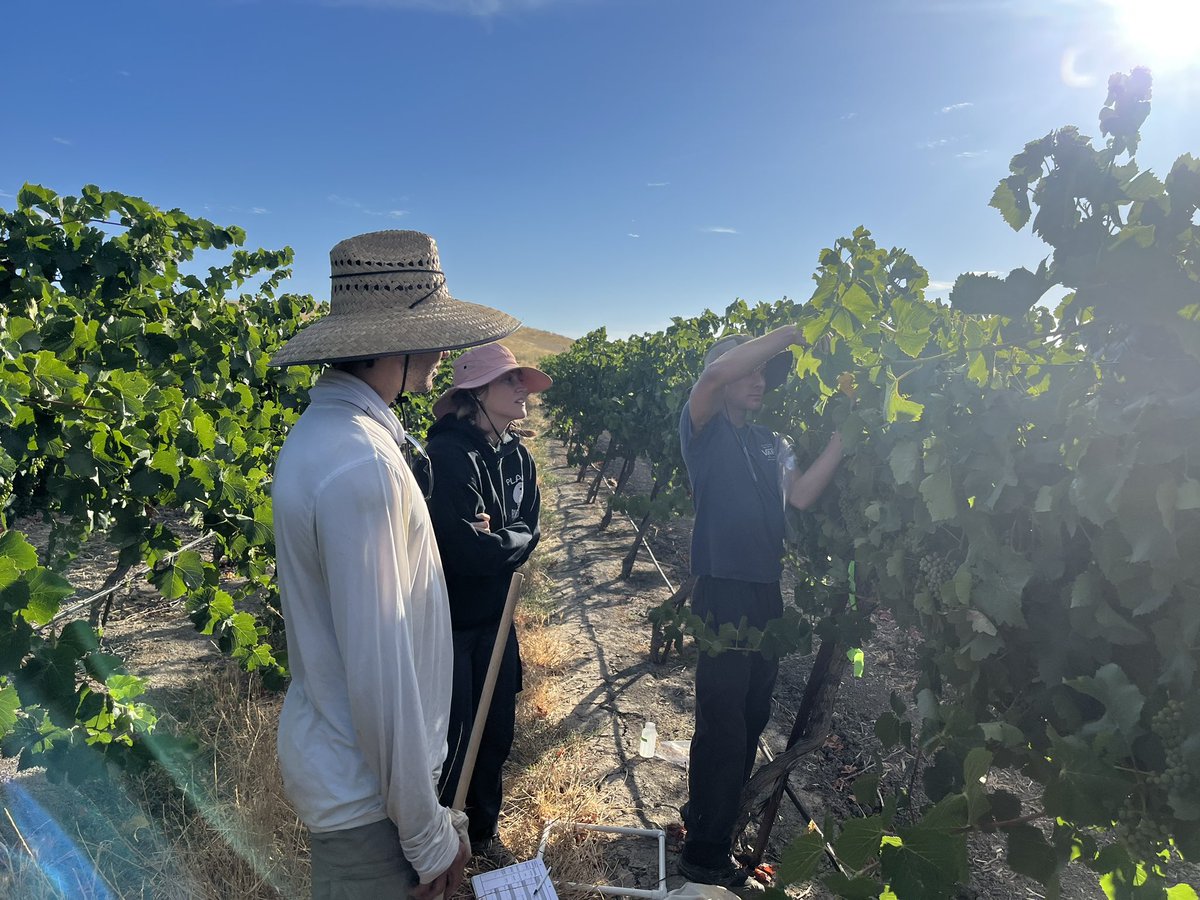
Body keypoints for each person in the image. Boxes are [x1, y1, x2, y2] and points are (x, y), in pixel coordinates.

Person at [268, 230, 520, 900]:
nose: (444, 353)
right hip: (371, 806)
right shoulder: (361, 465)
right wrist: (428, 836)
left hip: (368, 792)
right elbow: (381, 677)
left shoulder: (332, 438)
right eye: (435, 336)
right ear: (393, 345)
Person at [677, 326, 844, 890]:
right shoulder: (702, 427)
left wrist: (841, 444)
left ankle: (709, 816)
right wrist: (793, 334)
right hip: (722, 589)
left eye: (763, 374)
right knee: (722, 720)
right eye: (748, 371)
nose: (757, 381)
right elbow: (714, 375)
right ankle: (702, 852)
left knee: (749, 717)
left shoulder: (772, 440)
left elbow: (798, 496)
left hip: (766, 591)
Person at [414, 343, 551, 865]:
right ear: (477, 392)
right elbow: (464, 549)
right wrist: (500, 546)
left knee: (496, 732)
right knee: (451, 737)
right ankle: (441, 842)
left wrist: (502, 541)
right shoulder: (449, 455)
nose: (522, 390)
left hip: (498, 617)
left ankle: (484, 837)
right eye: (509, 380)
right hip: (452, 620)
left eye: (521, 380)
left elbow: (530, 529)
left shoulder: (517, 456)